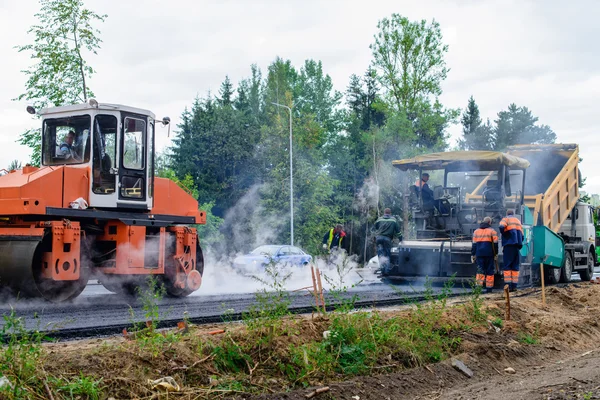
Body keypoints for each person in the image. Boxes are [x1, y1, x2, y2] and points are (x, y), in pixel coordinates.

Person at [471, 216, 499, 293]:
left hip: (479, 254)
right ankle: (489, 288)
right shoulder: (492, 231)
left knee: (480, 270)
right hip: (489, 254)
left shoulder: (476, 231)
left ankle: (478, 287)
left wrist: (473, 254)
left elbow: (474, 244)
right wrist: (496, 254)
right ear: (490, 222)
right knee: (490, 270)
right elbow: (495, 244)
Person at [499, 209, 524, 292]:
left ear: (507, 214)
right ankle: (514, 286)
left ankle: (508, 286)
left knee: (507, 266)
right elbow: (522, 235)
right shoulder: (518, 221)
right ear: (513, 214)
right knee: (515, 267)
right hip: (517, 246)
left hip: (509, 245)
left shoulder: (506, 219)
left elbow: (501, 227)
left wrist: (505, 234)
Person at [373, 208, 402, 274]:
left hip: (379, 238)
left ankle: (382, 268)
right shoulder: (393, 220)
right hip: (387, 239)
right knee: (387, 254)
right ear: (390, 213)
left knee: (380, 254)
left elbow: (375, 227)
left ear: (384, 213)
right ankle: (387, 271)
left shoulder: (379, 219)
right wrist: (401, 240)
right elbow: (398, 232)